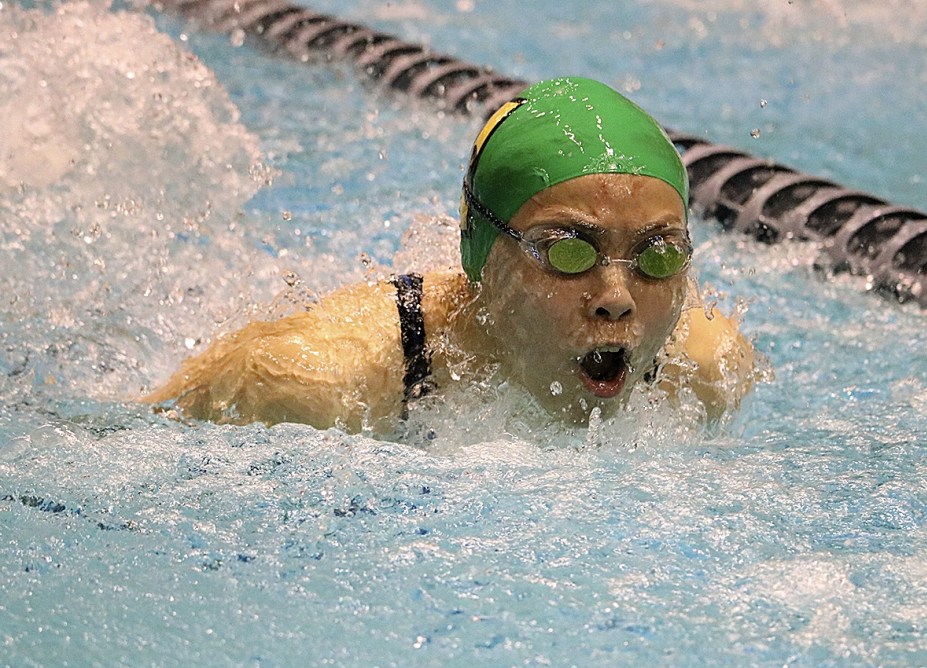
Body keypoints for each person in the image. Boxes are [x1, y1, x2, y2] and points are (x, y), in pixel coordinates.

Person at [144, 77, 756, 433]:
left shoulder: (704, 371)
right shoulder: (317, 384)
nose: (618, 301)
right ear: (480, 255)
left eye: (655, 256)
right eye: (570, 251)